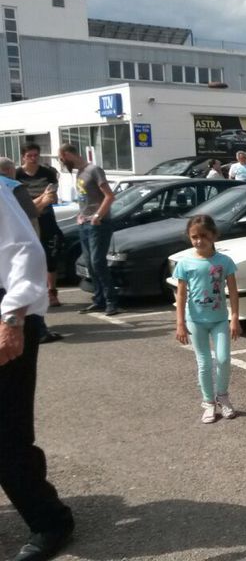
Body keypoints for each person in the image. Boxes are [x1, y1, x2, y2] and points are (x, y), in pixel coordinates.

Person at [0, 184, 75, 561]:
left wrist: (12, 319)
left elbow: (24, 251)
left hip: (7, 314)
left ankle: (50, 521)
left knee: (7, 434)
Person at [173, 215, 241, 424]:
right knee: (204, 364)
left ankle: (223, 396)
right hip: (195, 321)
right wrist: (180, 323)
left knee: (223, 359)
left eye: (203, 236)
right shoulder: (185, 263)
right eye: (194, 237)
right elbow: (181, 295)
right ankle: (208, 402)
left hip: (219, 319)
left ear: (214, 235)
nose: (199, 240)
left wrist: (234, 318)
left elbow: (233, 291)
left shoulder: (224, 262)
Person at [58, 143, 120, 316]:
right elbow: (85, 199)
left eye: (62, 158)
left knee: (98, 262)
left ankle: (111, 301)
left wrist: (98, 216)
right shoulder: (79, 172)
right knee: (90, 264)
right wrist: (80, 214)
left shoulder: (94, 170)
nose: (62, 162)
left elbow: (110, 196)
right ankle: (99, 300)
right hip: (84, 223)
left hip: (98, 225)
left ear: (68, 154)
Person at [15, 144, 63, 310]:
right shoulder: (17, 174)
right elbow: (20, 203)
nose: (33, 159)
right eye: (30, 155)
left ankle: (52, 292)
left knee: (50, 256)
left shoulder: (47, 173)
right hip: (26, 220)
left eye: (36, 155)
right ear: (23, 157)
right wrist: (42, 198)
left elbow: (53, 197)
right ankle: (30, 294)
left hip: (46, 218)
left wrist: (42, 201)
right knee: (28, 257)